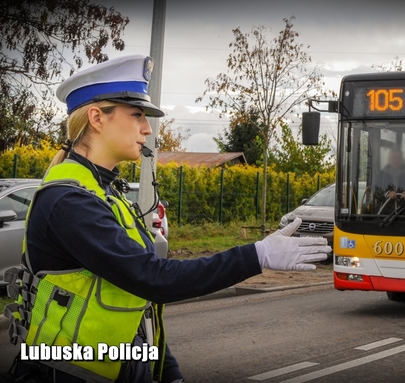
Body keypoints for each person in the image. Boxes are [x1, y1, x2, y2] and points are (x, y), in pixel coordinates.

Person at [3, 55, 331, 383]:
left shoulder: (106, 195)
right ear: (97, 118)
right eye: (136, 115)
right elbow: (153, 278)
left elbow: (138, 302)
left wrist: (168, 371)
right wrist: (255, 255)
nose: (147, 128)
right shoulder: (68, 202)